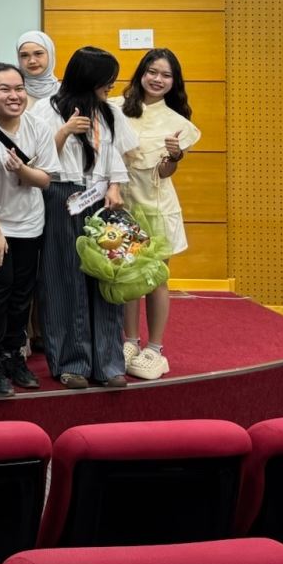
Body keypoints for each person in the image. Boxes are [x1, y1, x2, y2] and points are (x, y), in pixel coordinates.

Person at [34, 45, 133, 388]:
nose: (111, 85)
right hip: (63, 195)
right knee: (64, 278)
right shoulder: (47, 108)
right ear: (88, 78)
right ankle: (71, 363)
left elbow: (116, 155)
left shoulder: (110, 112)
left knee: (107, 277)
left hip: (103, 199)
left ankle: (109, 363)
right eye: (107, 79)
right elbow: (37, 160)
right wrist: (64, 131)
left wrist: (115, 186)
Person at [0, 62, 58, 398]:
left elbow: (45, 179)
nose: (14, 95)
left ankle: (11, 355)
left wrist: (22, 170)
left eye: (19, 88)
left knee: (22, 292)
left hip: (29, 224)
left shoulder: (38, 127)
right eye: (4, 89)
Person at [113, 48, 200, 381]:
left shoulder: (180, 124)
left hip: (157, 208)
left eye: (166, 75)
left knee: (156, 278)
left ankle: (155, 348)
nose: (157, 79)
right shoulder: (116, 108)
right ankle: (130, 342)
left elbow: (163, 173)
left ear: (174, 82)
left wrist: (174, 157)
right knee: (128, 276)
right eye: (152, 72)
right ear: (141, 74)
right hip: (122, 206)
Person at [16, 30, 60, 108]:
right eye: (24, 55)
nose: (32, 61)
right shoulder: (13, 92)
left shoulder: (63, 92)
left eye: (38, 53)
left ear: (50, 54)